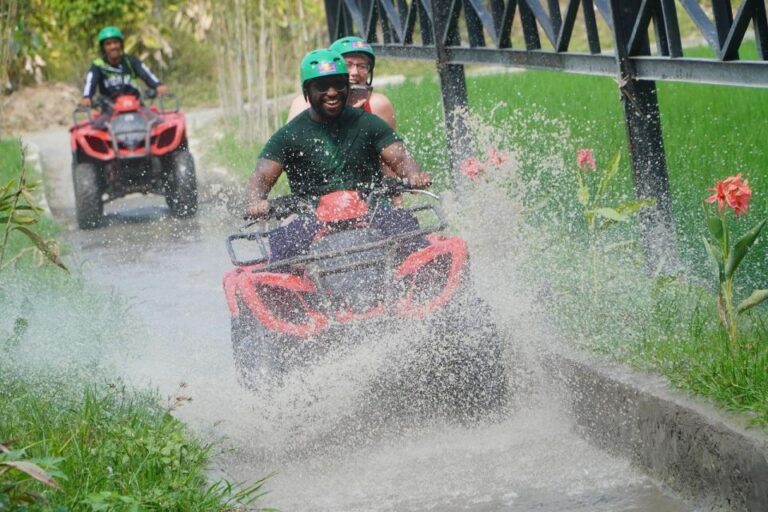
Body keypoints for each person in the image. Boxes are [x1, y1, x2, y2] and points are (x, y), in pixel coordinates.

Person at [246, 48, 431, 262]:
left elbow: (401, 158)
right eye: (322, 87)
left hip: (370, 210)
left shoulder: (368, 123)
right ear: (307, 91)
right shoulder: (288, 135)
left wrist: (415, 174)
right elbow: (261, 176)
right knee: (282, 251)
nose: (332, 92)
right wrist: (256, 201)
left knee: (411, 233)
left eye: (338, 84)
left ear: (348, 87)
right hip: (312, 217)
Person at [286, 36, 395, 129]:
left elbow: (392, 150)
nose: (355, 72)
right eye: (348, 65)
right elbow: (288, 148)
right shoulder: (304, 104)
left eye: (362, 66)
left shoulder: (378, 105)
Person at [79, 26, 168, 110]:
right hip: (110, 110)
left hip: (136, 106)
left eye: (115, 42)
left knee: (156, 122)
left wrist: (158, 85)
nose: (113, 47)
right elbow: (90, 83)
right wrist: (87, 97)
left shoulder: (131, 61)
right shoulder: (98, 65)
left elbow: (147, 75)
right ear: (103, 48)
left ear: (121, 44)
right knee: (98, 126)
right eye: (108, 44)